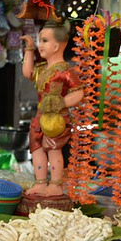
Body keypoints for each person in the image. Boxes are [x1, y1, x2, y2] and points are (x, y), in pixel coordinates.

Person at [21, 20, 84, 197]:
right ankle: (41, 183)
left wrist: (62, 103)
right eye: (40, 40)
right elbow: (27, 73)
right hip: (40, 115)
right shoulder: (42, 69)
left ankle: (56, 184)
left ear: (56, 46)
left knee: (53, 149)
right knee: (37, 149)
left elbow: (79, 92)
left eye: (44, 41)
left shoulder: (64, 71)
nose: (41, 45)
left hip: (56, 118)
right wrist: (29, 49)